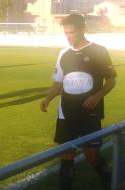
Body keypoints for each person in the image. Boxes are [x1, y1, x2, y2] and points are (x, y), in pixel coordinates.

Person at [40, 14, 116, 190]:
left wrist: (97, 96)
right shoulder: (63, 54)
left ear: (83, 30)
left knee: (92, 156)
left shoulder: (99, 51)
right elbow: (59, 82)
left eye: (72, 32)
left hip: (91, 113)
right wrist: (48, 98)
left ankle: (109, 180)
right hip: (66, 113)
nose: (68, 36)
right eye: (65, 33)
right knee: (66, 155)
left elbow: (111, 81)